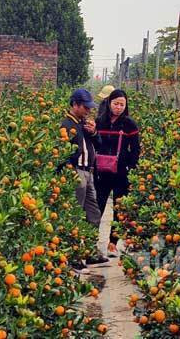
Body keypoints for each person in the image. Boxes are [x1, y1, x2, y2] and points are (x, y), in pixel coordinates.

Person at [59, 88, 107, 265]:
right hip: (76, 172)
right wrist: (69, 172)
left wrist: (94, 132)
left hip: (88, 172)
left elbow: (99, 144)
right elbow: (61, 153)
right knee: (75, 215)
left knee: (93, 213)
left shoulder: (84, 123)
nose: (88, 110)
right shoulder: (67, 125)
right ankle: (72, 255)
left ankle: (89, 252)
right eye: (85, 107)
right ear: (74, 105)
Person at [93, 89, 140, 258]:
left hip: (121, 173)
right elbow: (94, 143)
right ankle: (93, 241)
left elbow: (135, 149)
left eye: (122, 104)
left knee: (119, 208)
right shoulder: (100, 122)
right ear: (109, 103)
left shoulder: (129, 124)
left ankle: (112, 244)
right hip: (101, 171)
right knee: (98, 205)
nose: (118, 107)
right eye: (116, 103)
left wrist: (130, 167)